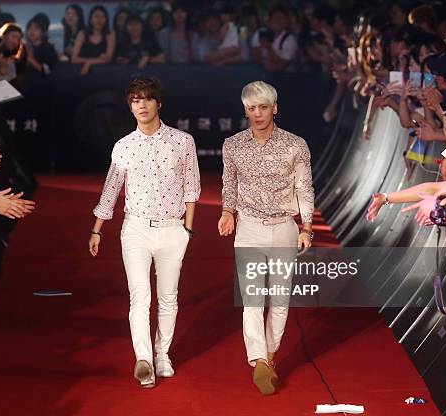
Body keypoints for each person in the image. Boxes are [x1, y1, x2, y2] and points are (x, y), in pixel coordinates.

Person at [89, 77, 200, 388]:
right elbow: (111, 189)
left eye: (147, 99)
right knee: (140, 296)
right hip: (135, 228)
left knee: (168, 297)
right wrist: (97, 228)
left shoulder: (182, 141)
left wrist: (187, 230)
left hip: (173, 230)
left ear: (158, 103)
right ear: (130, 106)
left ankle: (162, 354)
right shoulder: (123, 146)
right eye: (135, 100)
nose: (141, 105)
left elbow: (192, 189)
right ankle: (144, 358)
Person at [218, 81, 314, 395]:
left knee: (281, 301)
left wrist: (307, 227)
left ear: (275, 107)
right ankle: (259, 358)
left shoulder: (295, 145)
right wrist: (227, 212)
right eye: (251, 108)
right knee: (252, 301)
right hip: (248, 229)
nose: (257, 114)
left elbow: (304, 188)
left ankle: (269, 357)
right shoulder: (232, 145)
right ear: (245, 109)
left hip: (285, 227)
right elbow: (228, 184)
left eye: (262, 107)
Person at [71, 5, 115, 76]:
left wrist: (89, 62)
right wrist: (96, 60)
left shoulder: (110, 33)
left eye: (103, 16)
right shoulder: (82, 33)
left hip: (103, 73)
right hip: (82, 72)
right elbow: (74, 59)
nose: (99, 19)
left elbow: (108, 59)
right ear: (91, 19)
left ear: (106, 19)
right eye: (96, 16)